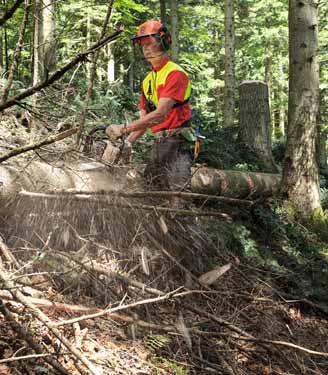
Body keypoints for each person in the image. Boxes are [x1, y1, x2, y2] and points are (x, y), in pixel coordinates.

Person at [106, 20, 194, 206]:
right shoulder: (147, 81)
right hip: (159, 144)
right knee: (151, 194)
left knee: (178, 199)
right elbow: (145, 121)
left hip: (178, 144)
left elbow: (161, 114)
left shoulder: (175, 74)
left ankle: (186, 231)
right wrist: (126, 143)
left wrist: (123, 129)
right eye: (142, 44)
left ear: (162, 41)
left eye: (149, 43)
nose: (145, 48)